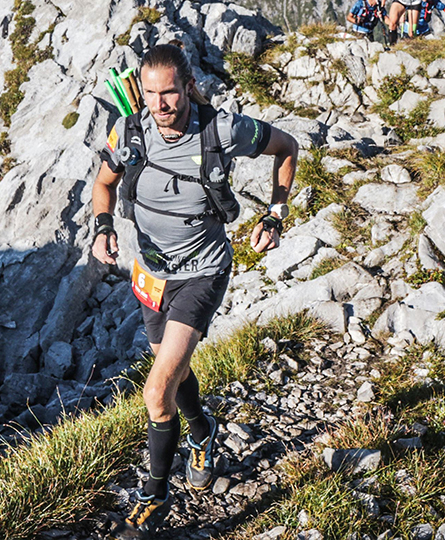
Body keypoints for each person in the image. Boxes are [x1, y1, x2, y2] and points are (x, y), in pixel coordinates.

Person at [91, 41, 299, 539]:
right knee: (174, 369)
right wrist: (102, 227)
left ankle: (154, 498)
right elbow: (103, 185)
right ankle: (204, 434)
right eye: (150, 94)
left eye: (170, 93)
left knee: (156, 389)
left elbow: (287, 147)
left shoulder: (222, 129)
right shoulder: (130, 130)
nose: (160, 105)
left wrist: (276, 214)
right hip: (152, 274)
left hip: (204, 270)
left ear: (188, 86)